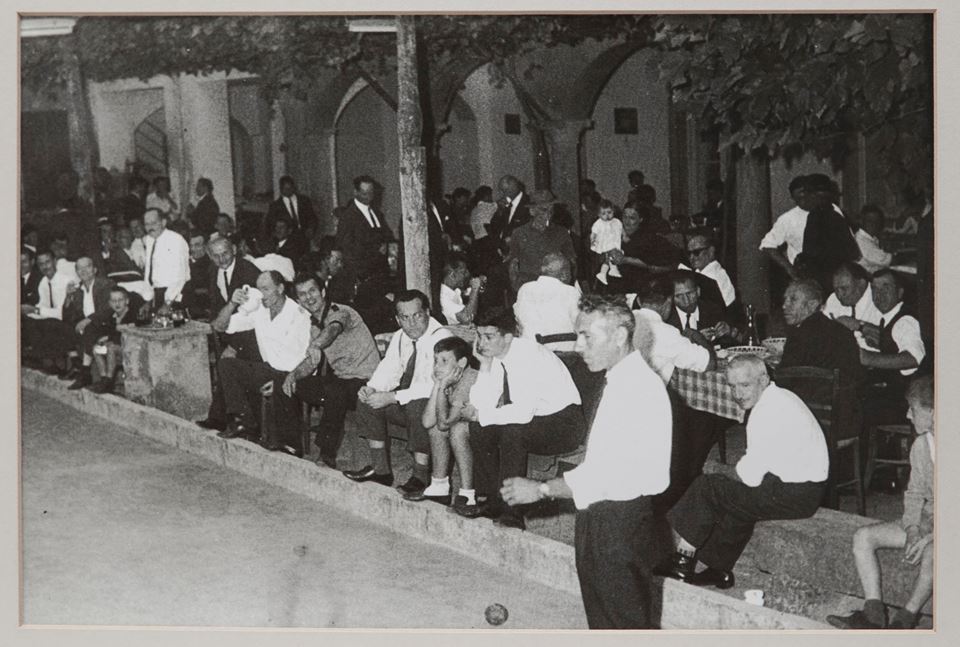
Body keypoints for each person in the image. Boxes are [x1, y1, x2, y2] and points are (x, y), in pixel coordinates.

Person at [501, 295, 670, 629]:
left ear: (620, 336)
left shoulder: (638, 389)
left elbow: (611, 473)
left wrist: (541, 489)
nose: (578, 346)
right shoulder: (617, 380)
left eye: (587, 336)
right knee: (602, 617)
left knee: (624, 622)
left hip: (621, 521)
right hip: (598, 514)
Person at [655, 354, 829, 589]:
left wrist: (717, 471)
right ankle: (719, 569)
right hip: (805, 489)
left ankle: (682, 562)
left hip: (796, 493)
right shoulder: (780, 397)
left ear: (764, 379)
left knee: (708, 486)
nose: (738, 394)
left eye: (745, 385)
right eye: (732, 386)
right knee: (736, 498)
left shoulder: (766, 412)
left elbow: (749, 476)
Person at [456, 307, 583, 530]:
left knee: (512, 431)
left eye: (488, 337)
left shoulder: (529, 355)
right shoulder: (497, 355)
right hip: (535, 419)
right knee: (479, 428)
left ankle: (512, 511)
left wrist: (481, 414)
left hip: (564, 423)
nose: (481, 343)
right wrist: (484, 366)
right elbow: (482, 404)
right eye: (478, 335)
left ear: (508, 336)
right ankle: (491, 500)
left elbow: (522, 413)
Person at [826, 376, 934, 630]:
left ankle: (905, 620)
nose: (908, 415)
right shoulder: (921, 445)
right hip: (928, 520)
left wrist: (931, 538)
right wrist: (912, 528)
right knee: (863, 537)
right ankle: (873, 614)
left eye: (914, 409)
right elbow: (915, 492)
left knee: (934, 554)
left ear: (934, 412)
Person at [342, 290, 452, 496]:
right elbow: (390, 367)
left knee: (418, 404)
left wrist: (392, 397)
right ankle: (381, 470)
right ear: (397, 319)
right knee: (367, 400)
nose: (411, 323)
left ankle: (420, 475)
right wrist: (372, 387)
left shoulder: (441, 337)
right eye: (405, 317)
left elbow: (433, 386)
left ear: (427, 312)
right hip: (407, 400)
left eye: (417, 315)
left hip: (437, 406)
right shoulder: (401, 336)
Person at [278, 273, 380, 466]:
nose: (309, 297)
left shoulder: (341, 311)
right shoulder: (314, 326)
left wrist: (316, 345)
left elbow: (333, 329)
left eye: (312, 291)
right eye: (303, 295)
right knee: (288, 383)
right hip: (343, 381)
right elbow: (310, 362)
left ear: (323, 291)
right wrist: (293, 375)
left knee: (335, 391)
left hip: (367, 380)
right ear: (299, 301)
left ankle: (326, 454)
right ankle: (291, 444)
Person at [212, 271, 312, 448]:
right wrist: (233, 303)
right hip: (268, 369)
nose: (261, 295)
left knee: (278, 382)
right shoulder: (259, 311)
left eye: (266, 289)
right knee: (226, 365)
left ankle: (289, 445)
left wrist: (277, 378)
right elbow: (220, 326)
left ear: (280, 288)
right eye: (258, 289)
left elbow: (302, 357)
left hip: (293, 372)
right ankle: (243, 422)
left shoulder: (298, 314)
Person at [196, 236, 263, 432]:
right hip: (230, 330)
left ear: (234, 249)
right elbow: (217, 307)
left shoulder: (249, 271)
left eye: (225, 253)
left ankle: (242, 421)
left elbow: (256, 317)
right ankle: (220, 417)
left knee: (228, 363)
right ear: (210, 256)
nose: (222, 259)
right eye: (216, 256)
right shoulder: (213, 271)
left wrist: (234, 346)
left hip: (252, 336)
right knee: (223, 362)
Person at [416, 336, 480, 508]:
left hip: (487, 425)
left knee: (455, 429)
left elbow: (446, 422)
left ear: (461, 363)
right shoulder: (448, 379)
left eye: (444, 361)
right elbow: (428, 422)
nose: (437, 367)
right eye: (436, 361)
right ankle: (439, 486)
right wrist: (438, 386)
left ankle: (468, 494)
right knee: (435, 430)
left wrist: (442, 385)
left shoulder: (469, 378)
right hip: (462, 420)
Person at [859, 269, 926, 424]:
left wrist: (868, 358)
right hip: (893, 396)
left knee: (856, 407)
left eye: (886, 288)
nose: (879, 294)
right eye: (874, 289)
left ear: (900, 292)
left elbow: (915, 358)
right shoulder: (887, 319)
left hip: (904, 402)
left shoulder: (905, 321)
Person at [632, 276, 714, 383]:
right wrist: (698, 337)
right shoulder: (667, 333)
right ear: (669, 301)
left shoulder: (625, 320)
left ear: (638, 301)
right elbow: (709, 363)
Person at [335, 175, 394, 307]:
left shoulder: (376, 213)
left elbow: (386, 235)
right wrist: (375, 250)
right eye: (364, 193)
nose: (369, 197)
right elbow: (346, 249)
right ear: (355, 192)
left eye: (371, 193)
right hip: (363, 277)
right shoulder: (348, 217)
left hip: (380, 274)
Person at [506, 189, 576, 293]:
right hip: (528, 288)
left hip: (555, 288)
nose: (549, 214)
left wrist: (564, 287)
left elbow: (572, 262)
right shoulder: (519, 233)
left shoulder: (561, 232)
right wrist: (518, 288)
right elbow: (513, 264)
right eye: (544, 210)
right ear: (532, 211)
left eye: (551, 210)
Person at [63, 257, 116, 390]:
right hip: (89, 326)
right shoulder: (78, 290)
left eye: (87, 267)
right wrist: (68, 296)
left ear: (94, 269)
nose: (83, 271)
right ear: (76, 272)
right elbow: (67, 316)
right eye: (79, 268)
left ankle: (85, 372)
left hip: (106, 324)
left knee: (90, 328)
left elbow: (109, 309)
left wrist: (88, 319)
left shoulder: (105, 284)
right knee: (65, 327)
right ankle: (76, 365)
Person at [513, 252, 581, 352]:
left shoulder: (525, 289)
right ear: (564, 274)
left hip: (532, 350)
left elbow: (518, 317)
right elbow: (580, 323)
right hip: (566, 351)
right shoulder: (571, 292)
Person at [21, 250, 75, 372]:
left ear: (55, 261)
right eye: (41, 264)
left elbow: (62, 313)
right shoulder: (44, 282)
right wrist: (30, 312)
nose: (45, 267)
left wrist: (36, 310)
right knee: (30, 321)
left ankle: (56, 362)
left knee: (48, 323)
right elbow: (42, 306)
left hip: (68, 322)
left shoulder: (67, 281)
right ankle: (47, 361)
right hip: (54, 322)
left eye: (47, 262)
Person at [86, 286, 141, 394]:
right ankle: (104, 378)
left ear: (127, 301)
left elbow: (129, 332)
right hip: (117, 347)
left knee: (110, 347)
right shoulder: (112, 316)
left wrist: (110, 337)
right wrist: (105, 338)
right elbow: (110, 331)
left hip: (131, 349)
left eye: (120, 300)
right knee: (97, 349)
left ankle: (109, 381)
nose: (117, 304)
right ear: (110, 303)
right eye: (114, 301)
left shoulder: (132, 315)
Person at [821, 261, 883, 350]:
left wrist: (858, 325)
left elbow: (889, 339)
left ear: (861, 283)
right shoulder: (833, 299)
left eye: (844, 288)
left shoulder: (879, 298)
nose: (839, 294)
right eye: (836, 289)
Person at [666, 271, 737, 345]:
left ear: (698, 291)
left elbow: (737, 343)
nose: (686, 300)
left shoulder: (713, 311)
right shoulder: (666, 317)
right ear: (671, 297)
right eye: (679, 296)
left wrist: (730, 332)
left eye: (689, 293)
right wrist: (696, 339)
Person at [143, 208, 190, 309]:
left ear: (163, 222)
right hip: (158, 294)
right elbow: (149, 273)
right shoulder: (149, 240)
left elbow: (179, 276)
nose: (150, 227)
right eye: (147, 224)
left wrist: (168, 303)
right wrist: (148, 300)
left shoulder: (176, 240)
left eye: (153, 223)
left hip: (175, 295)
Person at [680, 229, 736, 310]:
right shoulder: (698, 272)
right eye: (689, 253)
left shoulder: (718, 276)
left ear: (711, 251)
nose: (691, 258)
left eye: (696, 252)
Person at [439, 256, 483, 326]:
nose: (467, 274)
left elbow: (470, 293)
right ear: (452, 275)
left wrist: (478, 286)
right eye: (463, 272)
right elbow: (466, 318)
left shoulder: (454, 290)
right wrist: (475, 289)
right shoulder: (443, 297)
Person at [487, 175, 530, 245]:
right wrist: (499, 211)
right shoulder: (505, 205)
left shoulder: (528, 203)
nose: (501, 193)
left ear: (512, 189)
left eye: (503, 191)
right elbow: (493, 228)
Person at [590, 199, 623, 285]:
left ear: (613, 211)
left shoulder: (616, 221)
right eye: (603, 214)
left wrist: (625, 236)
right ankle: (612, 269)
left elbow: (621, 230)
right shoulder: (598, 223)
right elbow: (593, 233)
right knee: (610, 256)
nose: (607, 216)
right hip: (605, 243)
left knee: (609, 259)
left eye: (609, 212)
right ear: (598, 214)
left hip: (614, 243)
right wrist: (593, 240)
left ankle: (604, 273)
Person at [855, 204, 894, 274]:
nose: (874, 224)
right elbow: (886, 260)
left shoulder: (871, 238)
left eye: (877, 221)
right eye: (870, 221)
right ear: (861, 222)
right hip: (867, 278)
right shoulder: (861, 240)